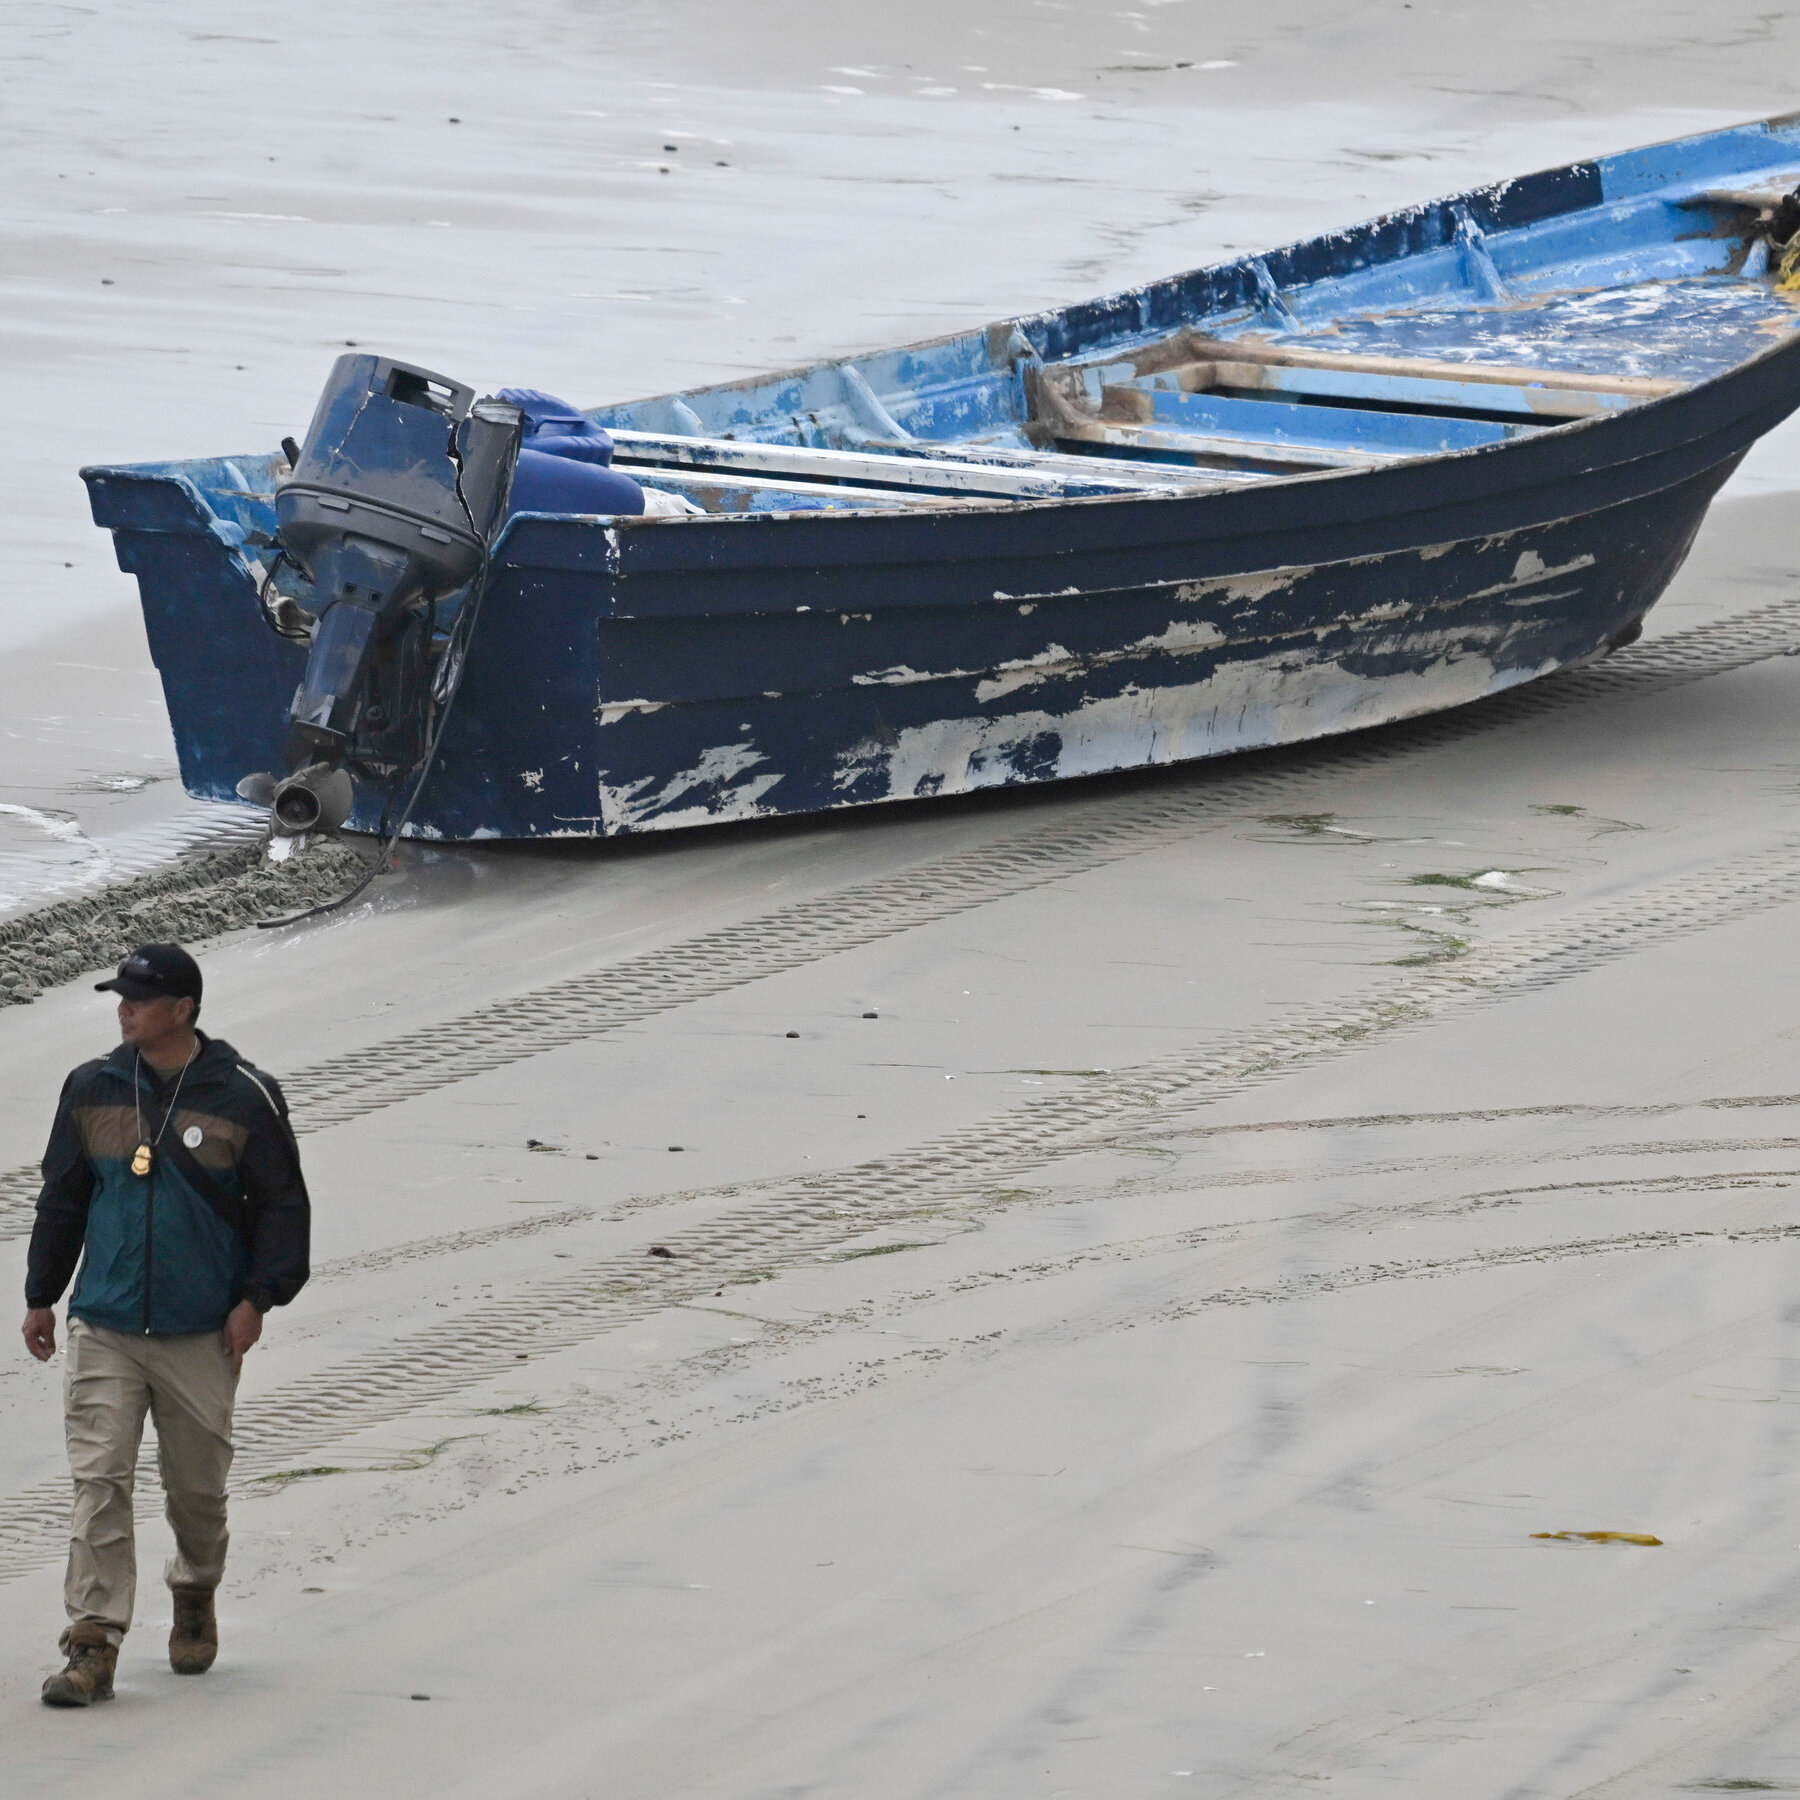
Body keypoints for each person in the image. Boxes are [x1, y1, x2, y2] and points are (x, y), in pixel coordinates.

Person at [21, 943, 310, 1707]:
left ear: (181, 1011)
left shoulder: (245, 1094)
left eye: (139, 999)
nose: (124, 1008)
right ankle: (92, 1643)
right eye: (121, 996)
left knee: (197, 1497)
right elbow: (64, 1197)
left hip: (200, 1331)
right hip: (105, 1322)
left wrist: (259, 1298)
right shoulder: (92, 1086)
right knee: (99, 1482)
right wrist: (42, 1292)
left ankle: (195, 1587)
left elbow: (283, 1207)